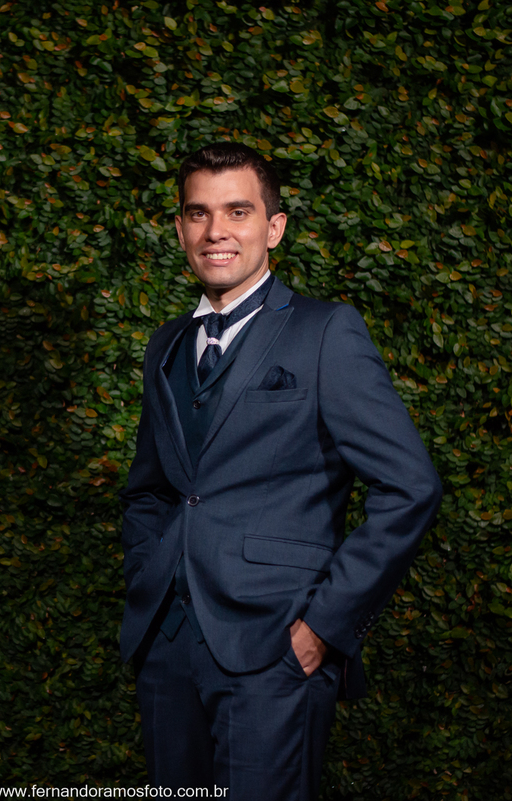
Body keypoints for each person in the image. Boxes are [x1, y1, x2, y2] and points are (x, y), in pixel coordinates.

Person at [119, 142, 442, 799]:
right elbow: (153, 488)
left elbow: (411, 484)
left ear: (274, 226)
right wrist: (148, 569)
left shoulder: (327, 332)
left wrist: (325, 624)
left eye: (237, 211)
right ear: (180, 227)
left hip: (274, 652)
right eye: (198, 213)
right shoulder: (166, 345)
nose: (216, 231)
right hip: (167, 647)